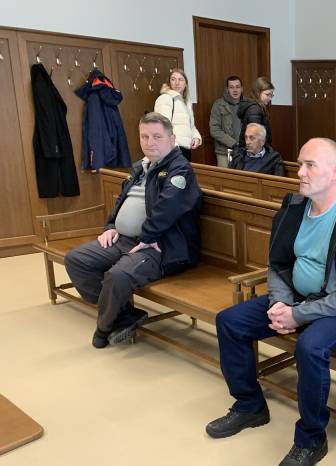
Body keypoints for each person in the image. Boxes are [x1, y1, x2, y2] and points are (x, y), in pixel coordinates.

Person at [206, 138, 336, 466]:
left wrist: (298, 316)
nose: (299, 172)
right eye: (300, 163)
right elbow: (278, 262)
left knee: (310, 347)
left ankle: (311, 439)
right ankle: (249, 406)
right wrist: (280, 302)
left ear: (335, 172)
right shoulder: (294, 208)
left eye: (309, 165)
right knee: (229, 321)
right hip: (295, 299)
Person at [64, 113, 202, 349]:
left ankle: (104, 328)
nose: (150, 142)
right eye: (144, 137)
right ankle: (124, 315)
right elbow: (121, 202)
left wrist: (148, 236)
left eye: (157, 136)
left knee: (117, 276)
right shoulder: (141, 167)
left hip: (162, 246)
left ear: (172, 139)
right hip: (125, 239)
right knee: (77, 260)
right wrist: (111, 226)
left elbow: (167, 209)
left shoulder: (180, 170)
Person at [154, 68, 202, 161]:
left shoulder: (186, 102)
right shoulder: (165, 98)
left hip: (185, 148)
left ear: (185, 84)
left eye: (180, 79)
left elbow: (191, 127)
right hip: (172, 149)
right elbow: (161, 127)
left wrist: (196, 137)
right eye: (173, 79)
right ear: (169, 83)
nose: (177, 83)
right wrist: (174, 147)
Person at [209, 75, 243, 167]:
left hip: (244, 151)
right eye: (231, 87)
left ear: (242, 89)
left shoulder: (247, 105)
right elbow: (214, 130)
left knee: (244, 176)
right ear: (227, 89)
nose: (235, 90)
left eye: (237, 87)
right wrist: (233, 143)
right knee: (225, 176)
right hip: (224, 152)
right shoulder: (218, 105)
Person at [238, 77, 274, 147]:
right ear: (258, 93)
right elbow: (254, 136)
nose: (270, 98)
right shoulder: (254, 110)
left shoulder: (256, 107)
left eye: (271, 95)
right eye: (267, 94)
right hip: (255, 150)